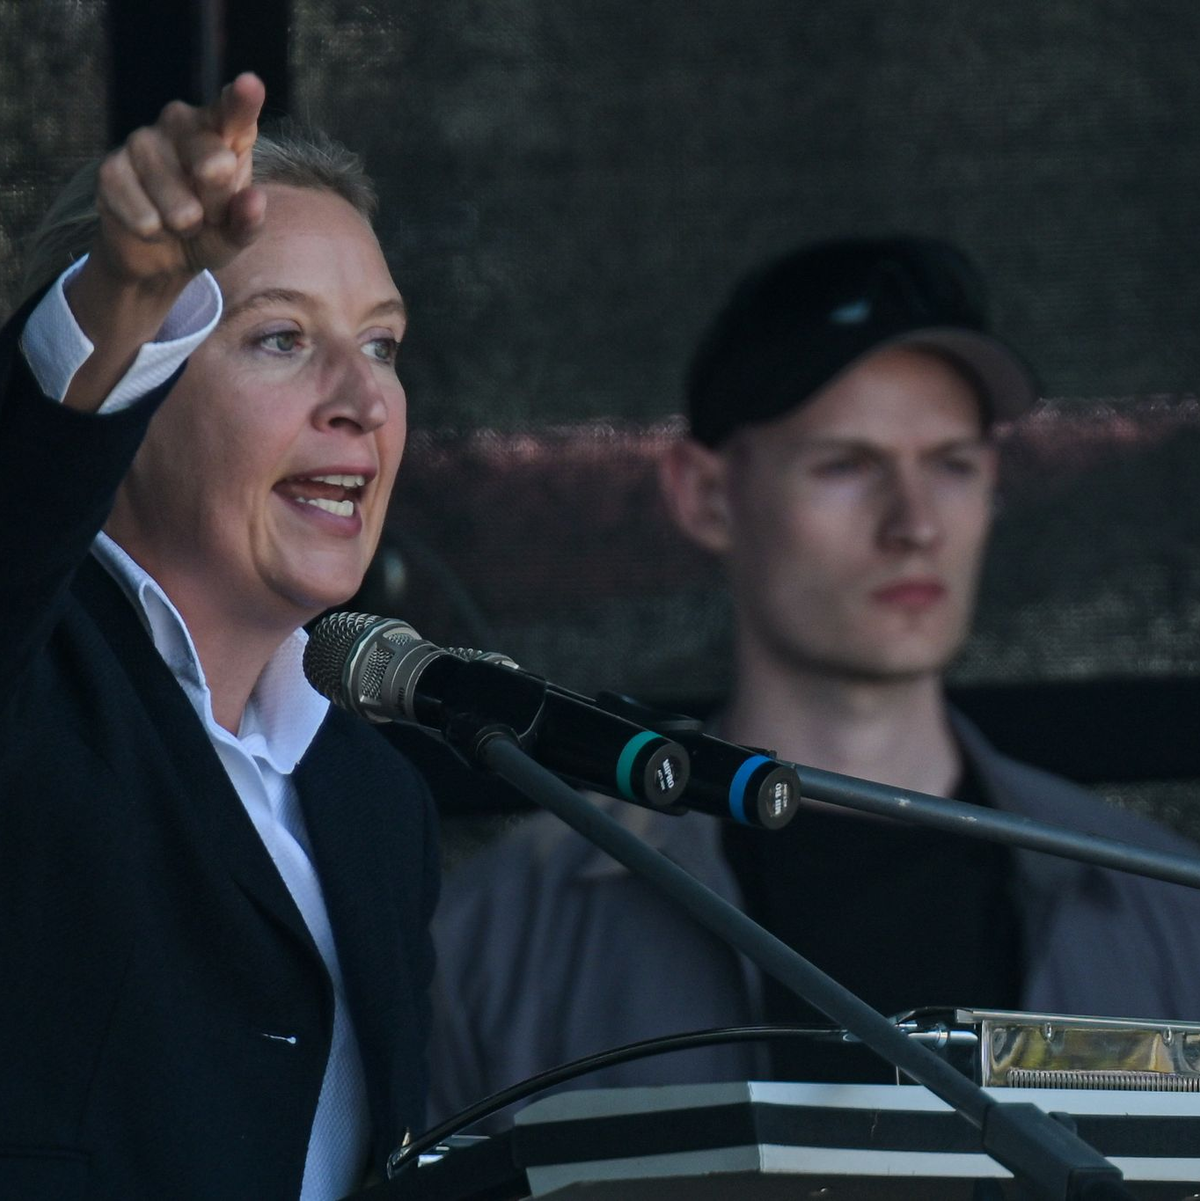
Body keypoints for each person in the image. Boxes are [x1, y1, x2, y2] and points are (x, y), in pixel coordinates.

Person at [427, 236, 1200, 1125]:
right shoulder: (501, 939)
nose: (914, 524)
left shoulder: (1162, 906)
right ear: (704, 494)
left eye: (953, 464)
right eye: (847, 465)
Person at [0, 75, 438, 1199]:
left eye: (382, 345)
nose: (363, 400)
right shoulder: (35, 684)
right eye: (281, 338)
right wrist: (118, 295)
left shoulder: (376, 798)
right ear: (135, 387)